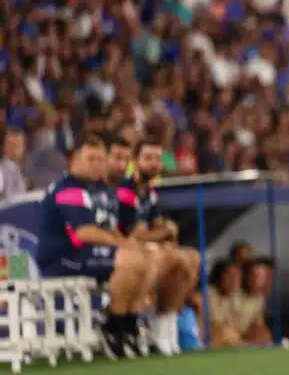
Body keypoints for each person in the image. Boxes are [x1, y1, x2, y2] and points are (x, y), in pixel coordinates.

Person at [35, 134, 168, 357]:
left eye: (100, 159)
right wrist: (124, 243)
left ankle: (129, 323)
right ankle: (113, 325)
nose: (97, 164)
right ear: (74, 160)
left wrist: (130, 243)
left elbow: (110, 226)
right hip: (63, 258)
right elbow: (85, 232)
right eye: (91, 159)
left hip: (87, 255)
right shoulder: (68, 188)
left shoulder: (100, 189)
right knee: (129, 257)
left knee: (149, 256)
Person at [116, 137, 201, 354]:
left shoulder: (150, 193)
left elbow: (156, 226)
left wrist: (164, 231)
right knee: (177, 259)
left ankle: (167, 323)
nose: (154, 163)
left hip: (149, 251)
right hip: (127, 255)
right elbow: (135, 233)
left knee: (191, 257)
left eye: (157, 158)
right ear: (136, 160)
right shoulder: (126, 190)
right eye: (148, 158)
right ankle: (157, 328)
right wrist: (164, 231)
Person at [0, 127, 28, 200]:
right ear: (3, 147)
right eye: (12, 144)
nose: (16, 148)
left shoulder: (21, 170)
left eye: (19, 144)